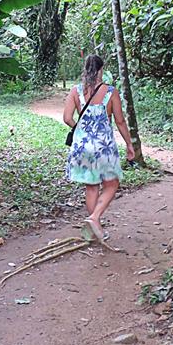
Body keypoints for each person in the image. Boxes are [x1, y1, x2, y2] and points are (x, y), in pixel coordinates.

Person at [63, 54, 137, 243]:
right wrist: (129, 145)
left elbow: (67, 118)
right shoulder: (110, 92)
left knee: (91, 186)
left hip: (82, 147)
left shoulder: (76, 91)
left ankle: (96, 231)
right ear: (101, 70)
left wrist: (81, 130)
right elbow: (120, 121)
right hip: (104, 147)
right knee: (112, 183)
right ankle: (95, 218)